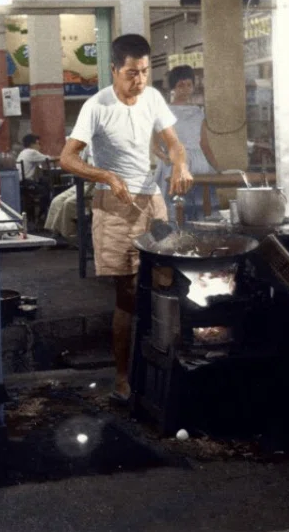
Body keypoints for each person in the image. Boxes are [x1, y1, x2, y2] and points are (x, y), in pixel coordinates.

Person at [60, 33, 193, 402]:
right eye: (132, 73)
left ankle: (165, 370)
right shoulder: (96, 106)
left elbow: (174, 143)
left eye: (146, 72)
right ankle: (122, 378)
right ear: (114, 70)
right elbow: (67, 158)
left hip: (152, 201)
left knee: (166, 283)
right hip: (114, 205)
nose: (140, 80)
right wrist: (105, 175)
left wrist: (180, 163)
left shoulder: (152, 97)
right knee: (128, 293)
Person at [153, 65, 222, 220]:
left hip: (199, 165)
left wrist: (217, 168)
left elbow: (204, 144)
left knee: (202, 208)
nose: (185, 89)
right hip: (174, 165)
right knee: (175, 210)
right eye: (180, 85)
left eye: (189, 85)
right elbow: (155, 146)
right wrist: (166, 159)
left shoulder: (198, 112)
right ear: (173, 88)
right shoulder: (163, 112)